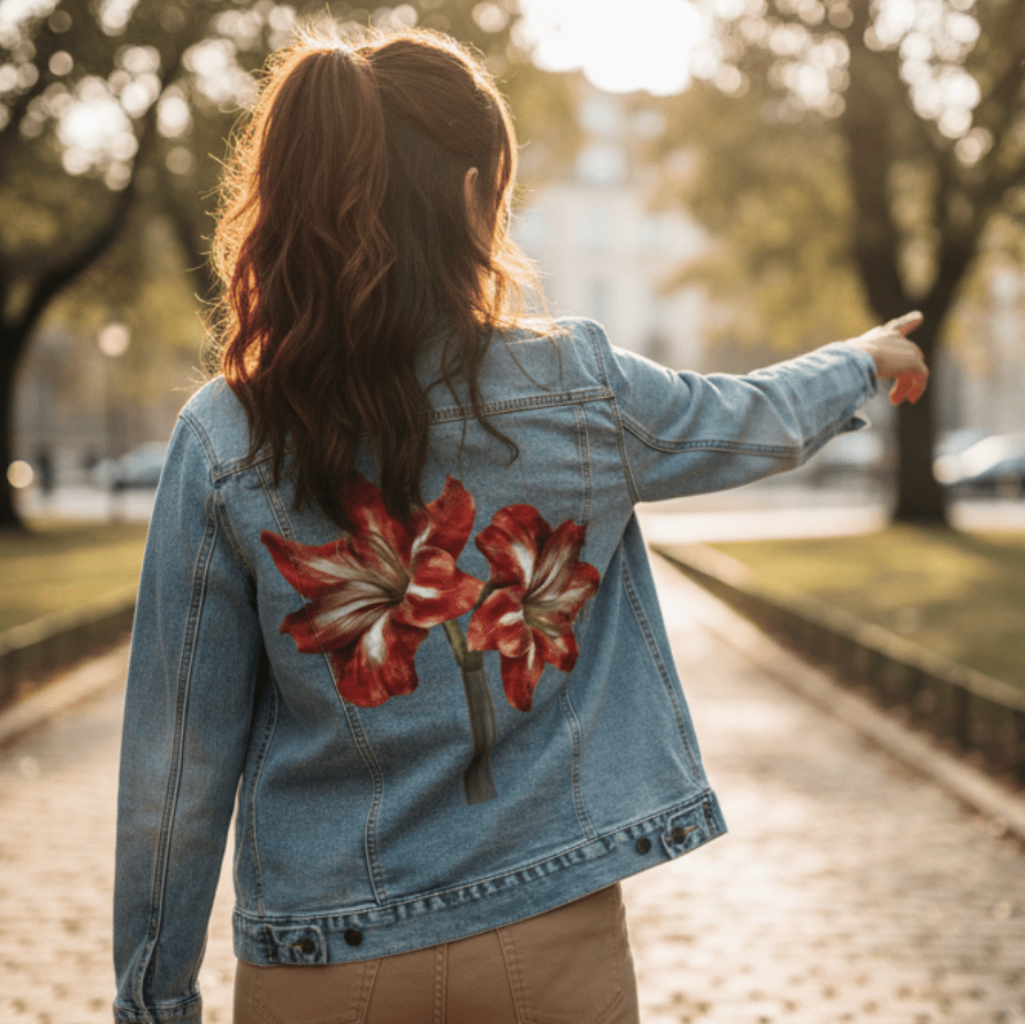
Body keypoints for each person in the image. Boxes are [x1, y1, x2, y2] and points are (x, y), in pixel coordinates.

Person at [112, 25, 929, 1024]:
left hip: (321, 955)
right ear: (471, 200)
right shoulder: (575, 386)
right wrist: (861, 360)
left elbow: (176, 762)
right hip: (549, 944)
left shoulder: (226, 434)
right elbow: (744, 418)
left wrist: (154, 1002)